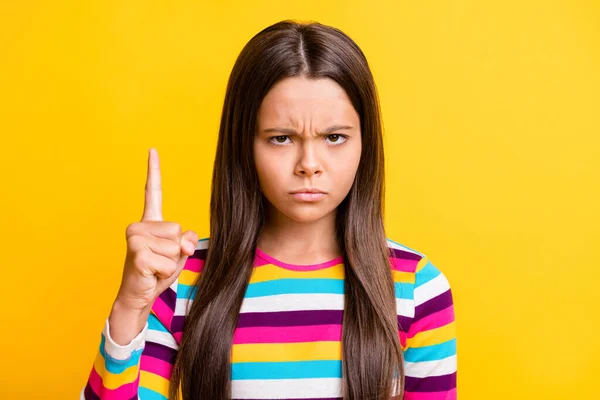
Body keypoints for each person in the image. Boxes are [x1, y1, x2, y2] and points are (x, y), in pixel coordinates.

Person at [81, 19, 457, 400]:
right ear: (245, 144)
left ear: (365, 143)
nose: (309, 163)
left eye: (334, 137)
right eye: (281, 138)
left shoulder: (417, 288)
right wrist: (130, 305)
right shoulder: (179, 280)